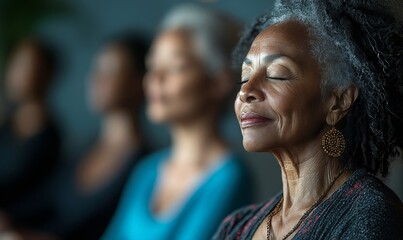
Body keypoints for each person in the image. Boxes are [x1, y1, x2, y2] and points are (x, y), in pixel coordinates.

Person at [214, 0, 403, 239]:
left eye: (277, 74)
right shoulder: (236, 227)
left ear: (338, 101)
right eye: (245, 77)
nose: (246, 91)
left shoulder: (370, 216)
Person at [102, 4, 251, 240]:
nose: (155, 79)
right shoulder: (147, 170)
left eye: (175, 67)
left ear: (219, 82)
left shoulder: (229, 177)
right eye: (152, 67)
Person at [0, 38, 61, 223]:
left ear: (46, 75)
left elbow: (37, 198)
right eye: (14, 63)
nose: (13, 73)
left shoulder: (49, 140)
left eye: (24, 66)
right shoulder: (6, 123)